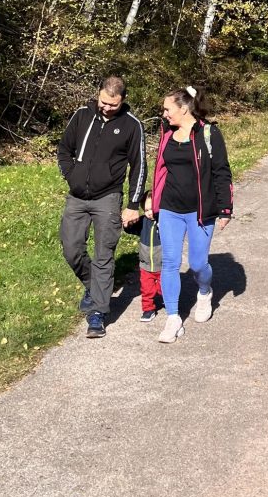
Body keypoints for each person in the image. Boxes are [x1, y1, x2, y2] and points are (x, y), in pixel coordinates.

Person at [57, 74, 146, 338]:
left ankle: (97, 313)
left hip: (108, 197)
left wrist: (133, 204)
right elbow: (64, 149)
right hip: (77, 196)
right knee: (71, 249)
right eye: (103, 102)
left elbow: (139, 166)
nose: (106, 108)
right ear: (98, 94)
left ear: (123, 100)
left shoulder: (132, 125)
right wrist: (71, 175)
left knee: (104, 255)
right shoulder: (82, 115)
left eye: (113, 105)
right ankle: (93, 285)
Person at [151, 86, 233, 344]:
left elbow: (221, 171)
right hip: (170, 209)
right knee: (170, 262)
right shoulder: (166, 133)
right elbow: (160, 169)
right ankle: (173, 318)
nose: (164, 114)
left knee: (198, 264)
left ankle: (205, 291)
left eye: (168, 109)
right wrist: (152, 200)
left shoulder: (209, 133)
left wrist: (225, 208)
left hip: (200, 211)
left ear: (184, 108)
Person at [137, 194, 162, 322]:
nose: (149, 213)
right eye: (146, 210)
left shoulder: (164, 221)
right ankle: (148, 309)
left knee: (163, 288)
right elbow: (131, 228)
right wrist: (127, 223)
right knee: (146, 289)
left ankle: (167, 299)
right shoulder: (143, 221)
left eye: (152, 209)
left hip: (162, 265)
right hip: (145, 265)